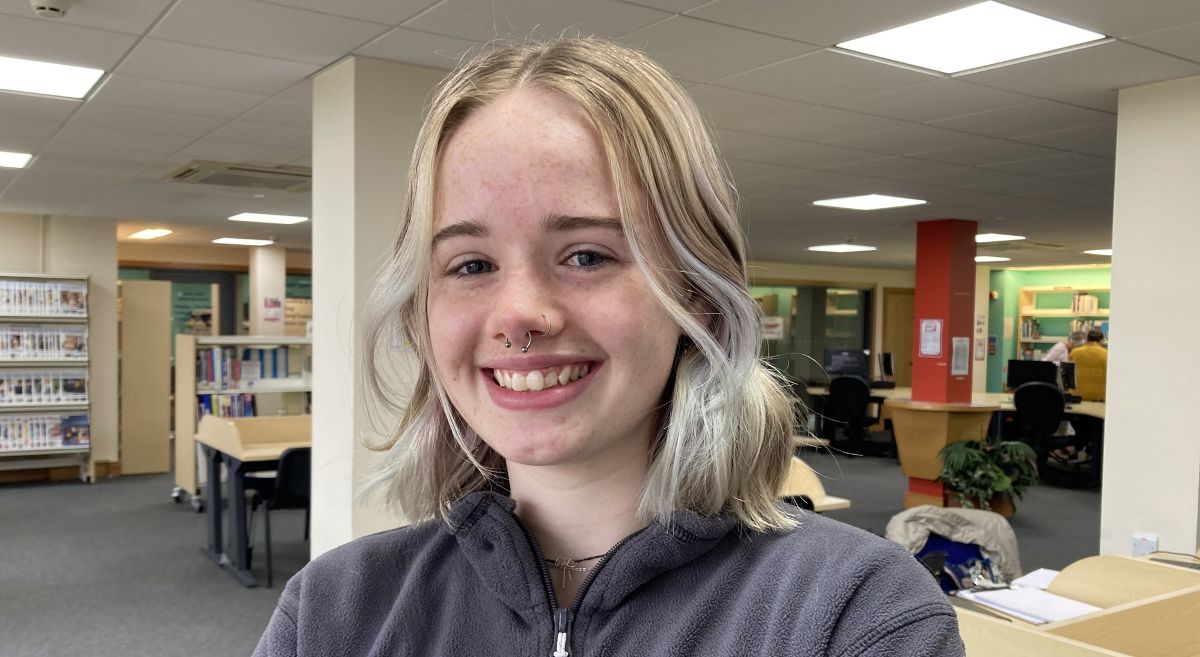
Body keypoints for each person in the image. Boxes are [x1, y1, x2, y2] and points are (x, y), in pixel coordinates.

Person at [254, 38, 962, 657]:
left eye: (587, 255)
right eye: (471, 265)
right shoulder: (332, 614)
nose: (521, 313)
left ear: (697, 298)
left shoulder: (854, 615)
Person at [1069, 328, 1108, 402]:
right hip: (1098, 397)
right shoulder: (1106, 353)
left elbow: (1068, 373)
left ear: (1087, 339)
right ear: (1101, 341)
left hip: (1077, 396)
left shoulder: (1074, 352)